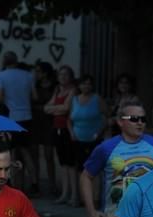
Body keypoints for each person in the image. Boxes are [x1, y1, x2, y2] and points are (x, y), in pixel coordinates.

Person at [0, 52, 36, 193]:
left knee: (11, 153)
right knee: (26, 152)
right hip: (26, 116)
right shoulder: (28, 75)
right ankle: (34, 183)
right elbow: (34, 96)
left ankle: (11, 182)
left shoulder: (1, 76)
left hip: (10, 117)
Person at [68, 74, 107, 205]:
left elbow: (106, 117)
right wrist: (72, 133)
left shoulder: (97, 99)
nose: (86, 86)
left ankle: (95, 198)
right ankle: (82, 197)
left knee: (95, 169)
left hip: (94, 139)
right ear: (79, 86)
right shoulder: (74, 100)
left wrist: (99, 133)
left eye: (89, 84)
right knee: (80, 169)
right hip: (78, 139)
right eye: (84, 83)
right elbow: (69, 119)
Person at [44, 65, 77, 204]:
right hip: (56, 128)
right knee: (62, 163)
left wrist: (55, 109)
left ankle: (74, 195)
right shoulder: (57, 90)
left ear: (70, 77)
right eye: (60, 74)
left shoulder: (73, 90)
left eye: (66, 74)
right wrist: (57, 110)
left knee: (71, 163)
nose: (62, 77)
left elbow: (66, 108)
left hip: (67, 129)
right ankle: (65, 193)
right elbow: (46, 108)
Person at [30, 61, 58, 195]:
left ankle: (52, 184)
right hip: (35, 122)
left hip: (48, 123)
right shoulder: (34, 85)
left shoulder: (54, 86)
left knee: (48, 155)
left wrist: (43, 108)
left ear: (45, 73)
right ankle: (36, 184)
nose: (36, 74)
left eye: (38, 71)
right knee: (34, 154)